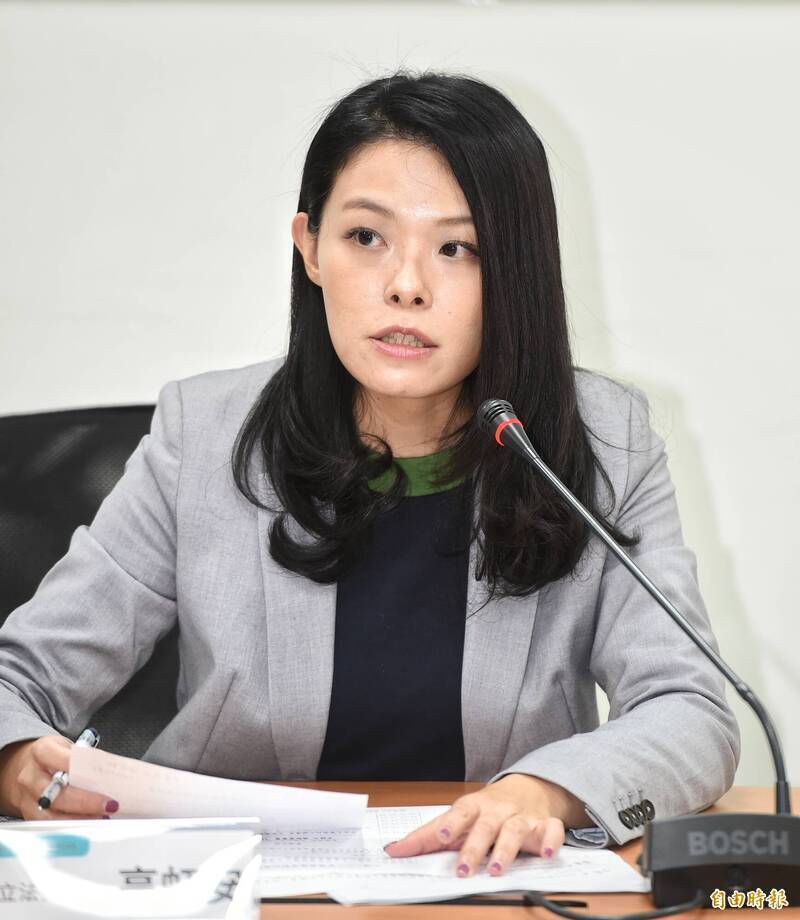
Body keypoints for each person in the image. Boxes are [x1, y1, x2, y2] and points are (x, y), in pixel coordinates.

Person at [0, 69, 739, 879]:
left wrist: (549, 791)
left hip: (487, 885)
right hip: (232, 885)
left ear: (514, 270)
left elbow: (691, 710)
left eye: (457, 248)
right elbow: (18, 680)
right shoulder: (202, 435)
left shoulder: (600, 441)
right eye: (366, 237)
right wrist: (14, 756)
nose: (406, 286)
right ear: (309, 247)